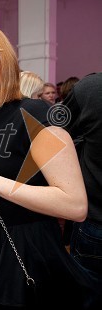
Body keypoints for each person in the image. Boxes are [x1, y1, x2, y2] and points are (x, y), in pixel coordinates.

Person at [0, 23, 99, 310]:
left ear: (5, 60)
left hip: (26, 252)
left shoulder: (35, 114)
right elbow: (1, 205)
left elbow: (75, 205)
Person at [63, 72, 102, 277]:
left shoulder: (91, 88)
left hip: (95, 221)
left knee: (89, 299)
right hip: (94, 220)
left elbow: (55, 134)